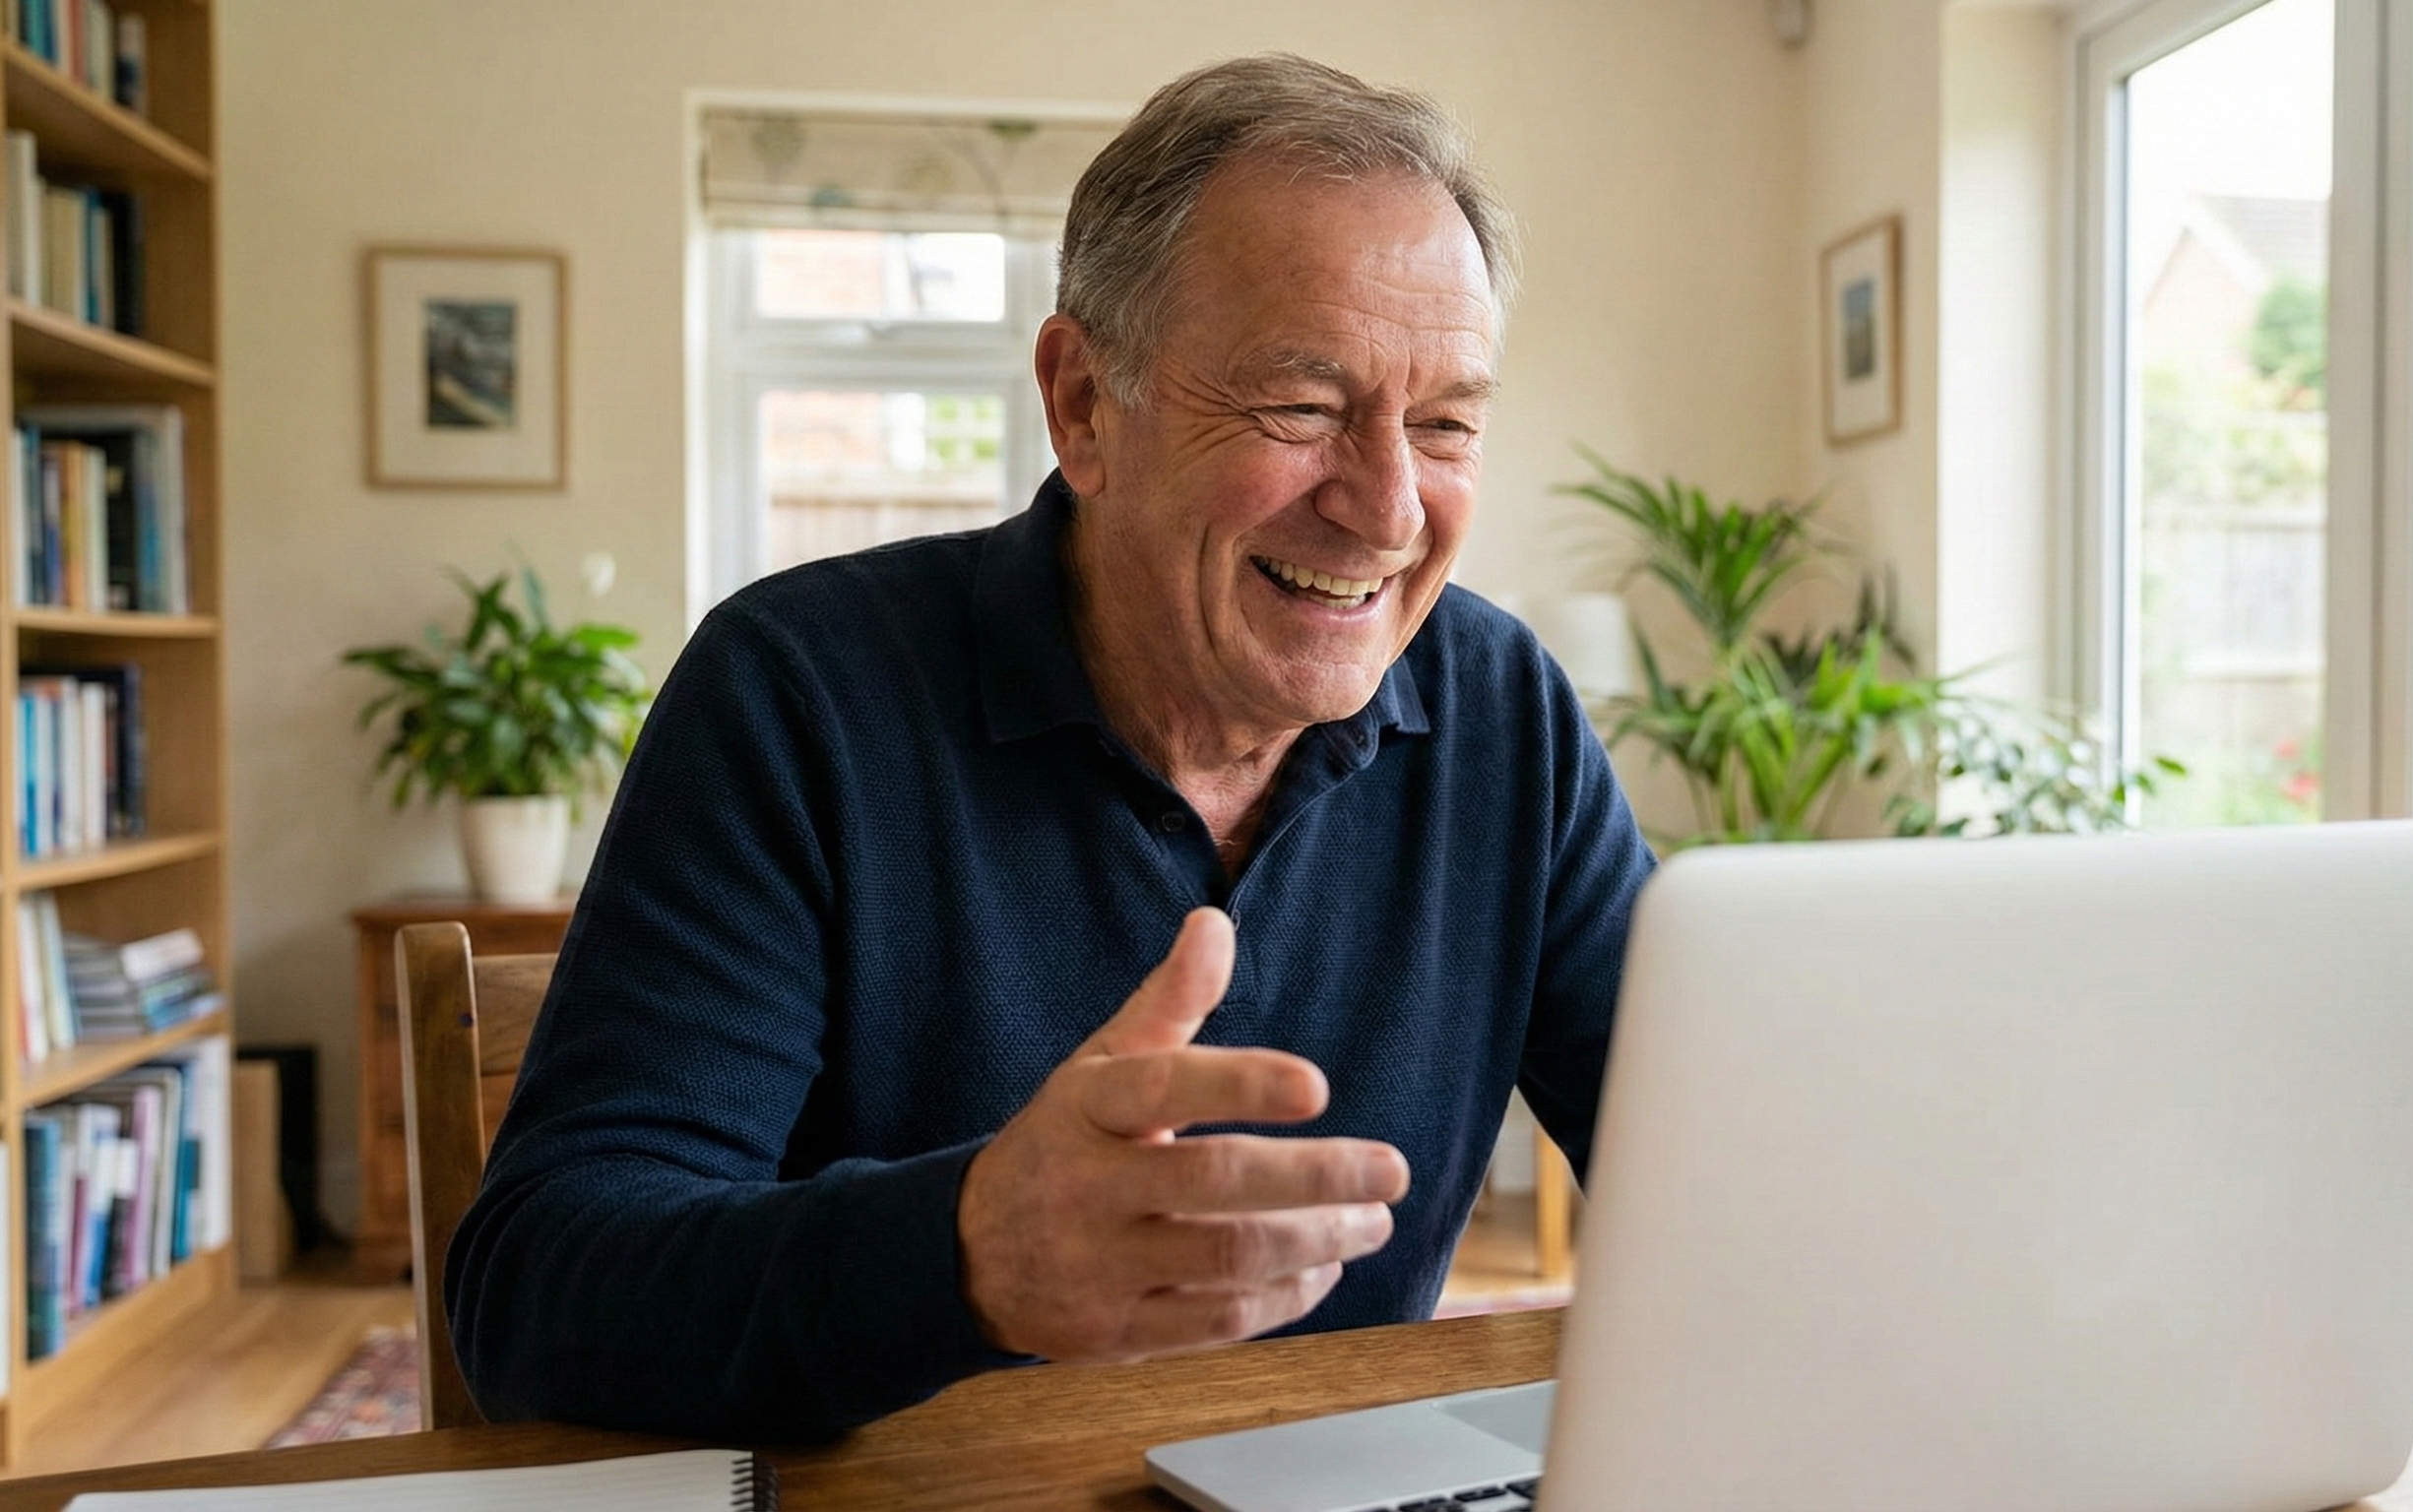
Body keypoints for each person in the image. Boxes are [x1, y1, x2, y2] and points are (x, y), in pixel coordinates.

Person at [447, 54, 1655, 1441]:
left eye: (1446, 424)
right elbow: (534, 1306)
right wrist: (964, 1254)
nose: (1388, 510)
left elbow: (1712, 1173)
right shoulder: (800, 692)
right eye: (1303, 407)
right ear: (1084, 404)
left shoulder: (1505, 707)